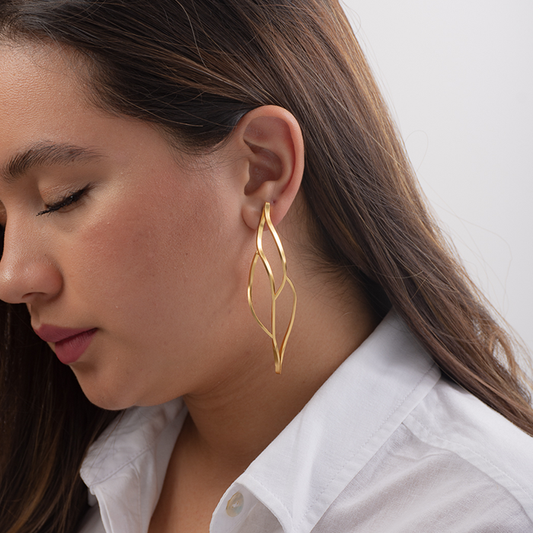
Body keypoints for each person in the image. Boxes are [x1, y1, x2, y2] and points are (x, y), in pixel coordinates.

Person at [0, 0, 532, 532]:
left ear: (262, 169)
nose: (12, 278)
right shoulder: (66, 483)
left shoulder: (481, 513)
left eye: (63, 196)